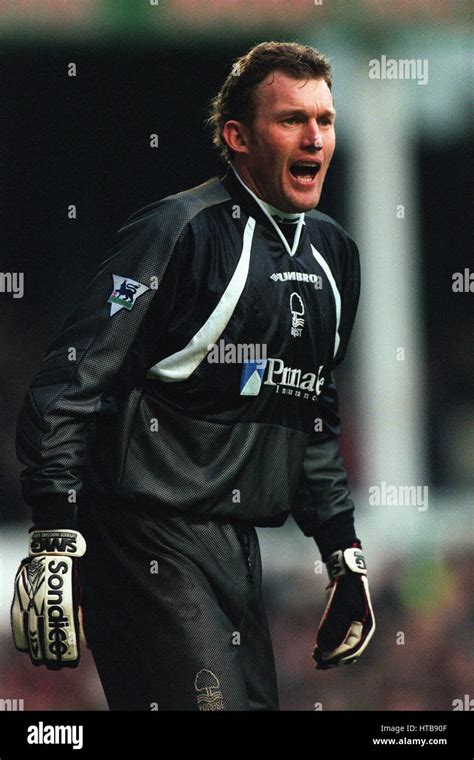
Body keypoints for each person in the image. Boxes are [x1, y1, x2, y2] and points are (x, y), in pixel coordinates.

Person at [11, 41, 375, 711]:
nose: (315, 136)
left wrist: (341, 555)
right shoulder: (180, 229)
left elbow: (309, 413)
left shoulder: (335, 255)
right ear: (237, 136)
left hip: (234, 545)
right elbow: (71, 376)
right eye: (292, 118)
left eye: (324, 119)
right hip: (141, 534)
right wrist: (55, 534)